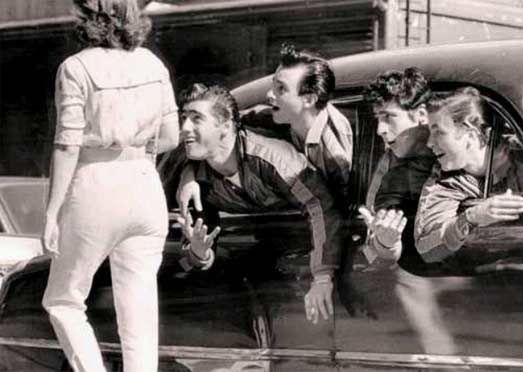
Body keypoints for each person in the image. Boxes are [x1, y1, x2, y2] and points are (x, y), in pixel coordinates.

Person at [41, 1, 179, 371]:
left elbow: (68, 146)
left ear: (91, 18)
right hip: (145, 185)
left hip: (95, 184)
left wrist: (52, 212)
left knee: (64, 301)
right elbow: (171, 136)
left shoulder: (76, 67)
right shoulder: (153, 63)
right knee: (139, 314)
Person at [176, 83, 343, 325]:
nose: (184, 128)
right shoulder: (194, 177)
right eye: (183, 118)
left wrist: (322, 276)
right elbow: (190, 252)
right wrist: (198, 254)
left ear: (225, 127)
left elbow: (320, 206)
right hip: (260, 278)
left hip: (306, 260)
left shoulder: (274, 157)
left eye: (196, 119)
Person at [177, 43, 353, 214]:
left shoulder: (334, 154)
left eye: (281, 89)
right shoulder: (264, 117)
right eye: (273, 85)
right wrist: (189, 175)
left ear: (308, 100)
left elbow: (338, 209)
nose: (269, 95)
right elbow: (211, 134)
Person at [357, 68, 456, 354]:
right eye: (378, 119)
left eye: (389, 117)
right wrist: (385, 241)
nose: (380, 130)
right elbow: (375, 244)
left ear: (422, 115)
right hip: (422, 281)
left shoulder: (457, 145)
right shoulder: (389, 171)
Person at [415, 87, 523, 263]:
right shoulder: (445, 183)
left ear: (470, 133)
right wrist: (471, 217)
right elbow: (426, 248)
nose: (429, 143)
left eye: (438, 132)